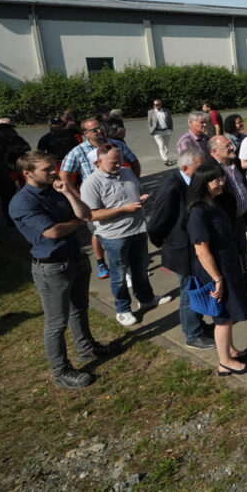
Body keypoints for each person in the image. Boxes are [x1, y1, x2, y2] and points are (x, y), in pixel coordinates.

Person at [9, 150, 118, 389]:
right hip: (52, 268)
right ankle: (60, 371)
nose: (53, 172)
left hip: (76, 259)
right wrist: (78, 221)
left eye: (54, 167)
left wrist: (68, 192)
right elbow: (53, 232)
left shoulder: (56, 190)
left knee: (80, 309)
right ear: (27, 173)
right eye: (46, 170)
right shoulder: (23, 201)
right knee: (56, 322)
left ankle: (86, 347)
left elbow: (85, 213)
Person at [80, 145, 172, 326]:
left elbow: (137, 190)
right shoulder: (91, 183)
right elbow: (91, 215)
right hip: (114, 236)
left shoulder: (126, 172)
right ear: (99, 161)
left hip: (137, 230)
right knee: (118, 275)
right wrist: (123, 209)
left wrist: (143, 196)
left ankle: (146, 298)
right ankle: (122, 310)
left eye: (120, 161)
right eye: (114, 162)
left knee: (140, 269)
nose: (119, 165)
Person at [184, 162, 247, 376]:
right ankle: (224, 362)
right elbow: (202, 251)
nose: (221, 182)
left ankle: (230, 350)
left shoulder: (214, 203)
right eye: (216, 180)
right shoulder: (197, 212)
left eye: (221, 178)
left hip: (228, 266)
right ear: (203, 184)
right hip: (215, 272)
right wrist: (217, 279)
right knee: (223, 317)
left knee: (230, 312)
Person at [147, 148, 215, 349]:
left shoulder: (193, 182)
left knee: (196, 287)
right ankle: (192, 334)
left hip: (193, 247)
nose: (205, 171)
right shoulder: (172, 187)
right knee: (189, 291)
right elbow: (155, 224)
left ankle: (198, 324)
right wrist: (166, 244)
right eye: (200, 167)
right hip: (181, 250)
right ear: (185, 168)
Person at [60, 118, 138, 280]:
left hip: (118, 195)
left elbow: (134, 161)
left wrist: (134, 182)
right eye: (94, 130)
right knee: (99, 233)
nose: (99, 131)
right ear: (86, 134)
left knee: (123, 231)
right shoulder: (78, 151)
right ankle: (103, 263)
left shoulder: (116, 145)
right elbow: (64, 174)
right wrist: (79, 196)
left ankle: (127, 267)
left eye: (100, 127)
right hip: (95, 200)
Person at [208, 136, 247, 294]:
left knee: (242, 255)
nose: (232, 147)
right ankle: (232, 291)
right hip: (225, 224)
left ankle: (244, 284)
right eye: (227, 146)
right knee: (229, 259)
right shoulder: (210, 169)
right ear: (215, 152)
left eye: (231, 144)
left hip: (240, 220)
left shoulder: (235, 163)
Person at [147, 99, 174, 165]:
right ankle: (165, 160)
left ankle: (166, 157)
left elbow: (170, 120)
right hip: (157, 132)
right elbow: (149, 123)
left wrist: (171, 128)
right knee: (161, 145)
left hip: (167, 131)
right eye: (155, 105)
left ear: (160, 104)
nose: (156, 106)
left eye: (157, 104)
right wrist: (151, 130)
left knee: (166, 146)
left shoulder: (167, 111)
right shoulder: (151, 112)